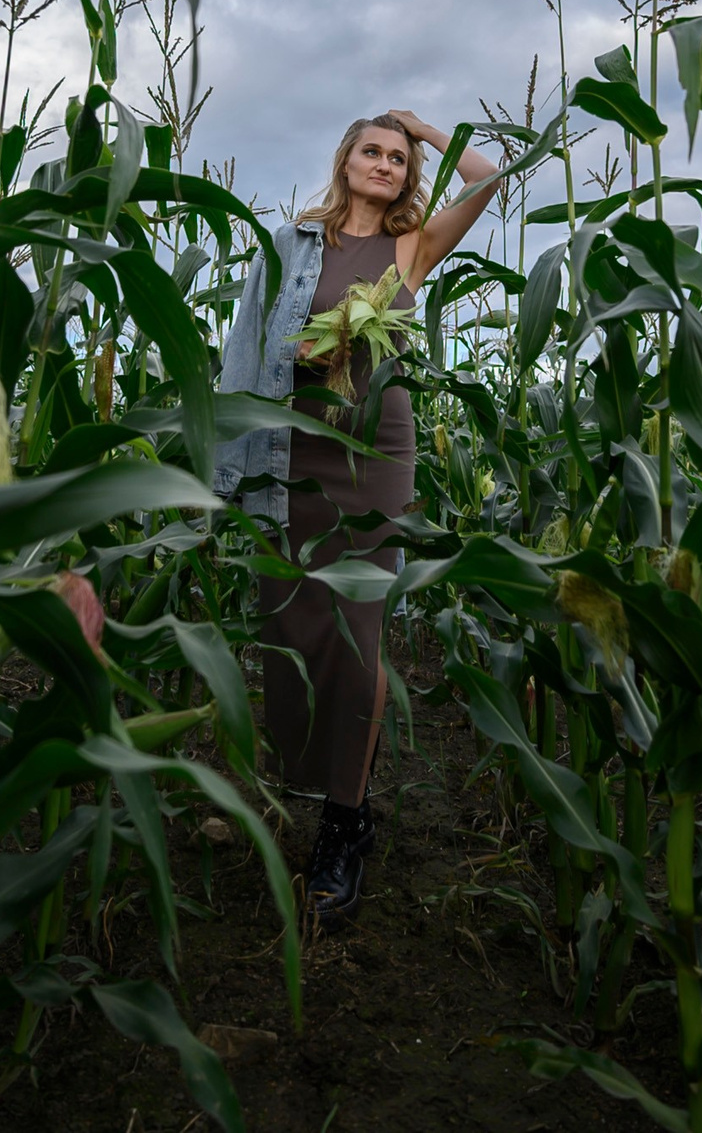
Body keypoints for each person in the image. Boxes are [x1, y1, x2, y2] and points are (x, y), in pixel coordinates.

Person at [211, 111, 497, 928]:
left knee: (359, 634)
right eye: (371, 150)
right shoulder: (294, 243)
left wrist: (428, 127)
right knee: (298, 629)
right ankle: (313, 785)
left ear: (409, 177)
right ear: (345, 161)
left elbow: (490, 177)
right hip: (292, 452)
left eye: (397, 158)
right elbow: (246, 347)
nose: (384, 163)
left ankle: (345, 822)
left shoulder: (412, 250)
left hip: (375, 456)